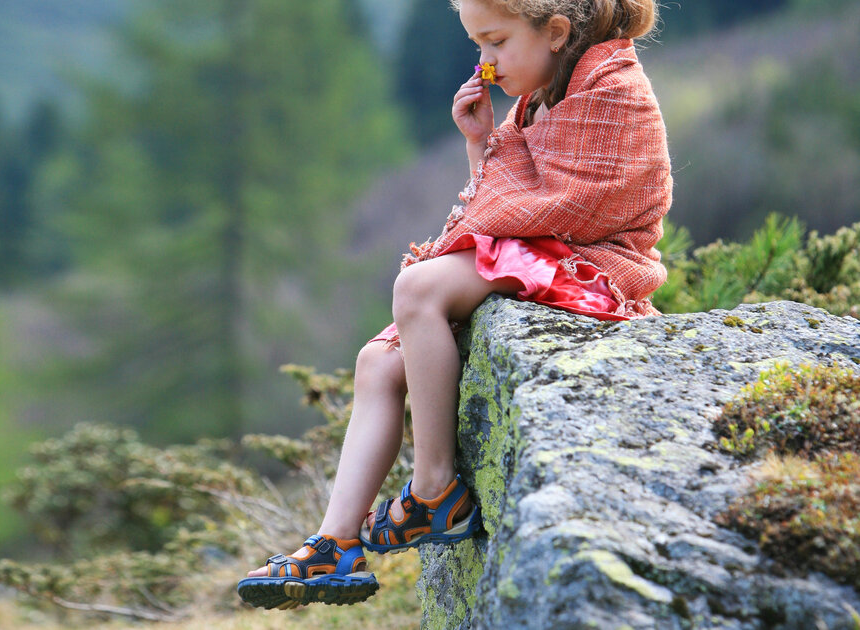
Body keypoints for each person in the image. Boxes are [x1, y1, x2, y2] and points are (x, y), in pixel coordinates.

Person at [237, 0, 671, 610]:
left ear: (554, 32)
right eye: (477, 45)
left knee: (418, 288)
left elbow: (571, 209)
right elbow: (519, 200)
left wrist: (488, 175)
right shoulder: (546, 92)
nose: (484, 63)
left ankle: (434, 487)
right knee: (376, 363)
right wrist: (482, 142)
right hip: (550, 251)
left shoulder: (612, 90)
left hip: (598, 266)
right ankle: (335, 544)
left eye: (494, 42)